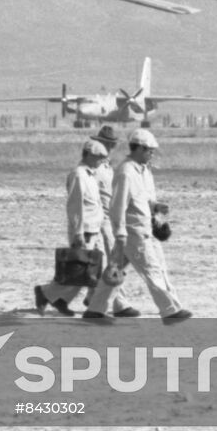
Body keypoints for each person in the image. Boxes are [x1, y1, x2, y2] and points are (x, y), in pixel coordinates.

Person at [86, 128, 193, 323]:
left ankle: (95, 309)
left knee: (114, 271)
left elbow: (141, 199)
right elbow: (117, 206)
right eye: (150, 150)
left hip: (143, 229)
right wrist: (119, 234)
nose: (152, 154)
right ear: (140, 149)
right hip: (132, 232)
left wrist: (155, 207)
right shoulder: (126, 172)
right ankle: (169, 311)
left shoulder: (142, 170)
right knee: (152, 270)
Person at [33, 140, 115, 321]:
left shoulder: (90, 175)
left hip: (95, 229)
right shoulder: (79, 175)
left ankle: (56, 297)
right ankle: (48, 293)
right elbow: (75, 206)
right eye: (98, 157)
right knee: (82, 272)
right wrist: (78, 233)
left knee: (92, 271)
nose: (101, 161)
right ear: (88, 155)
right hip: (84, 231)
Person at [83, 124, 140, 318]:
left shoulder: (107, 166)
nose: (109, 147)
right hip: (100, 220)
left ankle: (94, 296)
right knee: (112, 263)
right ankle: (119, 304)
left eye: (111, 144)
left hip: (110, 219)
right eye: (106, 143)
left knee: (107, 262)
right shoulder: (94, 167)